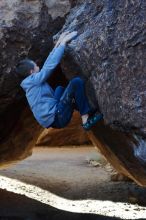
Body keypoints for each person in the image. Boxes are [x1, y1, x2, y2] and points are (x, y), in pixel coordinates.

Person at [16, 31, 103, 130]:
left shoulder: (29, 82)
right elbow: (48, 67)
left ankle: (87, 110)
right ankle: (85, 119)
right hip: (58, 117)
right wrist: (63, 43)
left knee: (59, 89)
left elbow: (47, 62)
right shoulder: (33, 81)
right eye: (35, 65)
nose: (38, 65)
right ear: (32, 72)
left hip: (54, 116)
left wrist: (59, 42)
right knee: (76, 82)